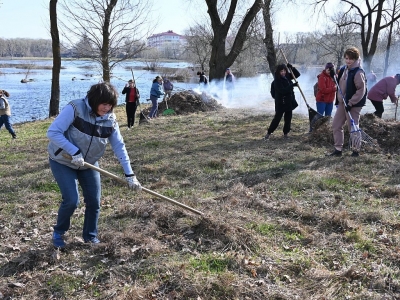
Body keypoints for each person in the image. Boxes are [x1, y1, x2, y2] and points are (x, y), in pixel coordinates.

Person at [47, 82, 142, 248]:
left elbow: (119, 146)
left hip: (88, 164)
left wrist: (130, 175)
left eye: (110, 105)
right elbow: (53, 132)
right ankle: (58, 233)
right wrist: (74, 151)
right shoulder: (75, 108)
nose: (107, 108)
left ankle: (90, 237)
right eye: (104, 104)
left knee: (94, 201)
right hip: (63, 160)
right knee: (71, 200)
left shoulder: (110, 120)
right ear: (94, 100)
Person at [329, 47, 367, 157]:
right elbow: (340, 81)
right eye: (346, 58)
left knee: (353, 128)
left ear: (355, 59)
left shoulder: (358, 72)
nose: (348, 61)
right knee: (336, 125)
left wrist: (351, 103)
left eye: (350, 59)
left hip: (353, 104)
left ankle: (356, 150)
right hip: (342, 103)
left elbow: (361, 90)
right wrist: (333, 76)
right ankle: (338, 149)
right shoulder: (345, 69)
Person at [264, 63, 300, 140]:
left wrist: (292, 68)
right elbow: (282, 91)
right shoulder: (276, 81)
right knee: (277, 119)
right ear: (278, 72)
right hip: (280, 103)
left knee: (288, 119)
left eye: (284, 71)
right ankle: (269, 133)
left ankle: (286, 134)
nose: (283, 72)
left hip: (288, 102)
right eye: (281, 71)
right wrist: (292, 86)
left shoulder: (287, 77)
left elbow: (297, 75)